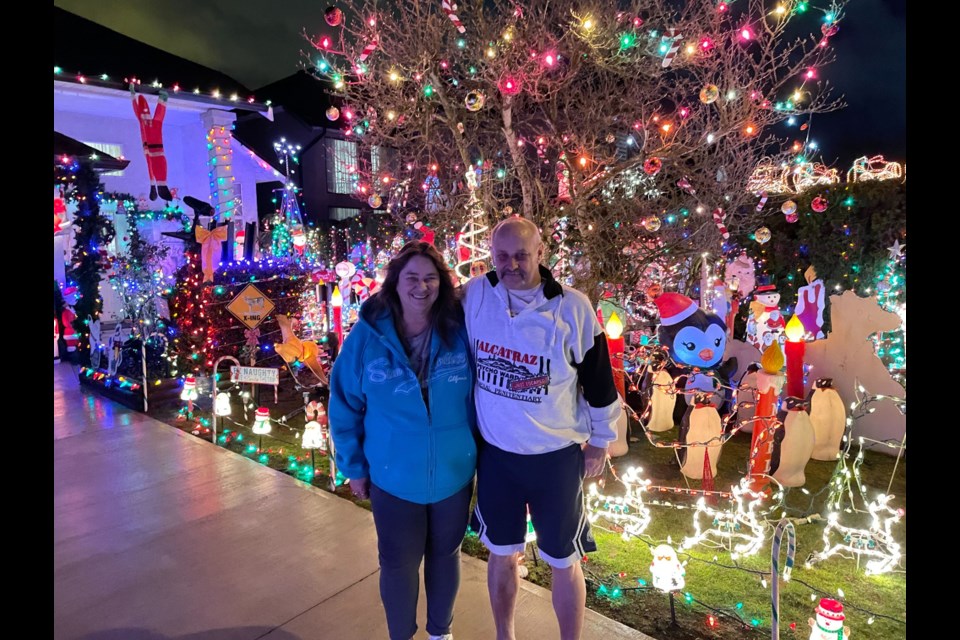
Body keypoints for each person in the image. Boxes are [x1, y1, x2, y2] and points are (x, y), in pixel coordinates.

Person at [462, 216, 620, 640]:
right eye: (501, 256)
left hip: (556, 458)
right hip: (497, 457)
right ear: (491, 256)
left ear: (541, 254)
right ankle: (504, 635)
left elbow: (600, 380)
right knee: (501, 553)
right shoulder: (476, 295)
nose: (510, 265)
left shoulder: (573, 307)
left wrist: (601, 441)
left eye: (521, 256)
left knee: (563, 559)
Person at [328, 241, 477, 640]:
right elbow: (344, 404)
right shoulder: (367, 337)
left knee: (446, 557)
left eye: (430, 278)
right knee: (398, 564)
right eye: (411, 278)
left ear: (441, 284)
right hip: (393, 477)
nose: (421, 286)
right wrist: (354, 468)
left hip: (454, 474)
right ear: (395, 283)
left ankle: (440, 633)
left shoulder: (460, 329)